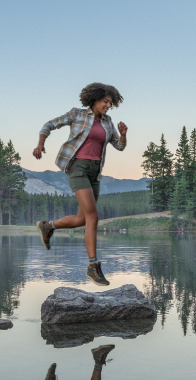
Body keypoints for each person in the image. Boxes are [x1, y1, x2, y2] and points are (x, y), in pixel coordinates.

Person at [32, 83, 128, 286]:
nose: (108, 105)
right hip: (78, 168)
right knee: (93, 216)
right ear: (95, 99)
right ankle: (93, 267)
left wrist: (124, 135)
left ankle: (48, 226)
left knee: (82, 219)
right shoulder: (77, 114)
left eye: (111, 102)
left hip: (95, 173)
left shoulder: (108, 123)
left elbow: (119, 146)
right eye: (105, 101)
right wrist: (41, 144)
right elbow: (48, 125)